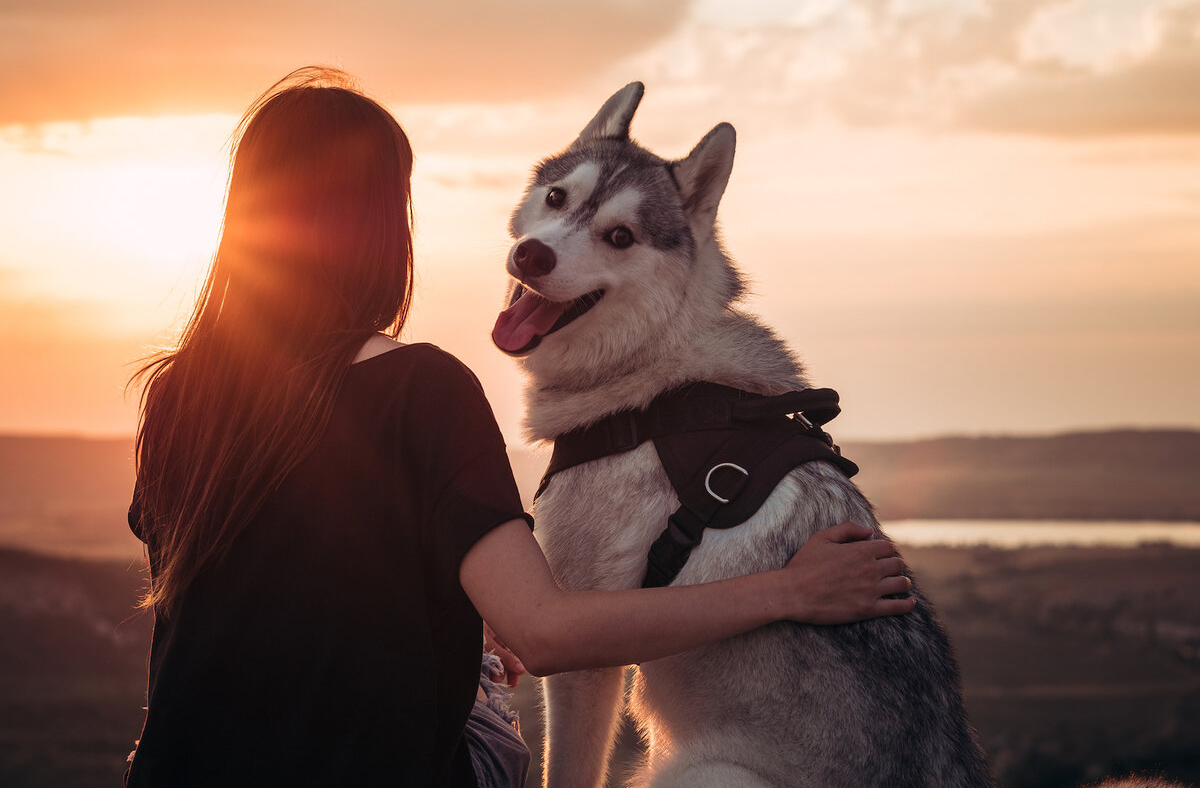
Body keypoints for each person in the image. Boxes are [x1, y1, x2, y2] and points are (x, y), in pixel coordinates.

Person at [124, 67, 915, 788]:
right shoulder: (419, 388)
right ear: (383, 225)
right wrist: (790, 589)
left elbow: (245, 610)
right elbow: (545, 633)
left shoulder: (175, 395)